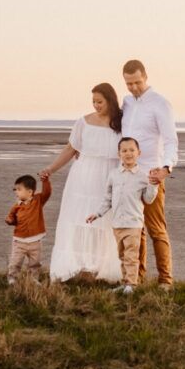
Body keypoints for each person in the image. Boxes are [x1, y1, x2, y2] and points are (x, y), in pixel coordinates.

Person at [39, 83, 122, 283]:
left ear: (110, 100)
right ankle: (79, 265)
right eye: (93, 101)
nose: (96, 105)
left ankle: (101, 268)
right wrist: (51, 168)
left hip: (110, 176)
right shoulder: (83, 122)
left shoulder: (122, 122)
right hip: (83, 176)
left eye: (100, 101)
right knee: (79, 219)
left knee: (106, 222)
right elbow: (70, 149)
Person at [121, 59, 178, 288]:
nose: (133, 87)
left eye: (137, 82)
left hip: (151, 175)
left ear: (145, 76)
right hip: (128, 175)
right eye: (128, 84)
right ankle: (138, 278)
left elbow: (171, 140)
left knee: (156, 228)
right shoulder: (126, 103)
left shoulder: (160, 103)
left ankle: (166, 280)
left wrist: (166, 169)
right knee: (136, 229)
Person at [86, 136, 157, 293]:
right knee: (122, 255)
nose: (128, 153)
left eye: (132, 150)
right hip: (117, 223)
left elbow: (148, 199)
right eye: (124, 150)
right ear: (119, 154)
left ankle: (131, 285)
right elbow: (108, 199)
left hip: (133, 223)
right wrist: (97, 214)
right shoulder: (114, 175)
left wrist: (153, 185)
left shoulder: (143, 176)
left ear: (139, 152)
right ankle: (126, 283)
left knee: (132, 255)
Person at [5, 173, 51, 284]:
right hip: (19, 241)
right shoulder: (16, 206)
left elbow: (47, 193)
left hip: (35, 241)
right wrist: (10, 220)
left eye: (19, 189)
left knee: (35, 263)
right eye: (15, 189)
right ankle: (12, 278)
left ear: (30, 192)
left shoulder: (38, 201)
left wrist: (45, 181)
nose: (16, 192)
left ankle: (33, 279)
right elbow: (10, 217)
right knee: (15, 262)